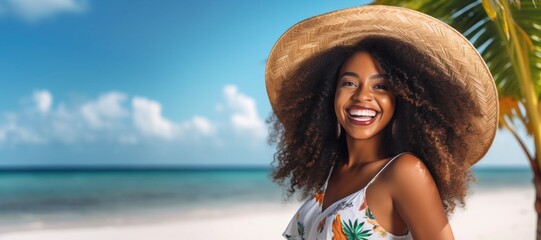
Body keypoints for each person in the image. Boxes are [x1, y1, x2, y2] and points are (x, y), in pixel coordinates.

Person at [265, 5, 498, 240]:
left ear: (403, 99)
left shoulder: (404, 172)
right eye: (349, 83)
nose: (362, 96)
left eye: (380, 86)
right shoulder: (333, 170)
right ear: (329, 94)